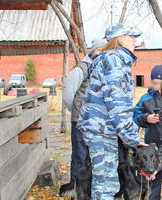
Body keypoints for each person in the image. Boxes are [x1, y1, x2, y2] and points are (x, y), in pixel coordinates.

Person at [77, 23, 146, 200]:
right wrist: (133, 139)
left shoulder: (111, 60)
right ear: (120, 38)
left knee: (104, 182)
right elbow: (118, 106)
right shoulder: (114, 61)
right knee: (106, 185)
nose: (134, 40)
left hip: (102, 129)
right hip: (102, 130)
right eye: (131, 36)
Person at [63, 39, 106, 185]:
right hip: (81, 122)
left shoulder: (101, 68)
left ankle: (87, 189)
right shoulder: (81, 69)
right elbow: (68, 97)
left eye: (104, 50)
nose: (101, 53)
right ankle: (75, 189)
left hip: (95, 122)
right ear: (92, 51)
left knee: (91, 158)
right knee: (79, 157)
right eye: (99, 50)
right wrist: (77, 113)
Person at [133, 64, 162, 200]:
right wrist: (146, 118)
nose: (155, 86)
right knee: (153, 182)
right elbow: (135, 117)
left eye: (159, 83)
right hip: (152, 146)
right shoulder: (145, 99)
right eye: (153, 82)